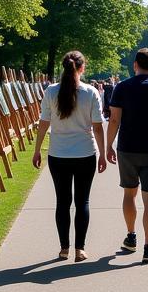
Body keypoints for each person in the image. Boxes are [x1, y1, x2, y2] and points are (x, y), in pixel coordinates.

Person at [33, 50, 107, 261]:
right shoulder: (90, 92)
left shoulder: (51, 92)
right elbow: (98, 127)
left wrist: (37, 149)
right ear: (82, 68)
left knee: (62, 202)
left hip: (58, 154)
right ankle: (79, 249)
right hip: (85, 153)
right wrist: (102, 153)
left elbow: (43, 123)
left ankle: (64, 248)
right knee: (82, 201)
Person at [106, 48, 148, 263]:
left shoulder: (122, 88)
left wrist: (108, 145)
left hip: (127, 148)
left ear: (135, 64)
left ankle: (131, 236)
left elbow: (115, 120)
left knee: (129, 195)